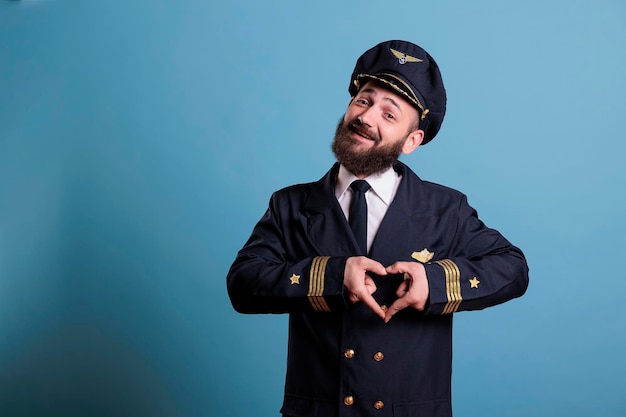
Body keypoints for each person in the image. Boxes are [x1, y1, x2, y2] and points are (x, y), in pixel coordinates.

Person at [227, 40, 529, 417]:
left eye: (390, 115)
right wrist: (332, 275)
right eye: (364, 101)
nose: (367, 118)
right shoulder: (290, 204)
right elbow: (242, 284)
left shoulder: (445, 209)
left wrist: (434, 284)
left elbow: (513, 268)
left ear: (411, 140)